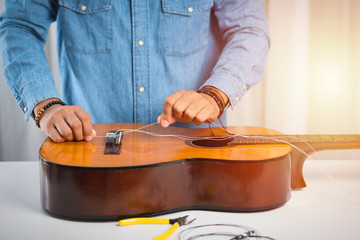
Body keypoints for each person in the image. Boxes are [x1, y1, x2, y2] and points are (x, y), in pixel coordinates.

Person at [0, 0, 269, 143]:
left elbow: (250, 30)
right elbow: (19, 26)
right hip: (88, 159)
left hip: (197, 161)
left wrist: (216, 94)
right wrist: (45, 105)